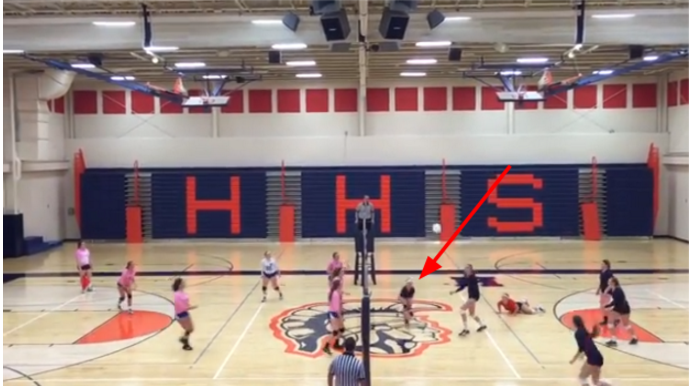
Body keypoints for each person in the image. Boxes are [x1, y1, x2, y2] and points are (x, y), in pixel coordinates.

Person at [569, 315, 610, 386]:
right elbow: (586, 346)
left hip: (593, 358)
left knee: (589, 380)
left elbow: (581, 348)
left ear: (574, 323)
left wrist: (573, 359)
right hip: (596, 357)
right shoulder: (583, 330)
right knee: (584, 377)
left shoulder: (578, 333)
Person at [451, 264, 487, 336]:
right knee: (472, 314)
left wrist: (474, 297)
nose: (465, 270)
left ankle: (466, 329)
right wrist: (455, 291)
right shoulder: (468, 277)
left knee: (461, 310)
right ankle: (482, 325)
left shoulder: (472, 277)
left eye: (467, 269)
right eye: (465, 269)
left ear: (470, 270)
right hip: (472, 297)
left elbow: (474, 287)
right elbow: (463, 286)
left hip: (473, 297)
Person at [604, 277, 638, 346]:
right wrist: (608, 305)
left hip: (622, 308)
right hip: (621, 308)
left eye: (609, 281)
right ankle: (632, 338)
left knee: (621, 324)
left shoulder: (618, 291)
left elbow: (617, 301)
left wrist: (609, 307)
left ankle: (615, 340)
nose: (608, 282)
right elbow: (614, 300)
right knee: (615, 323)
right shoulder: (614, 289)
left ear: (613, 283)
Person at [172, 278, 197, 351]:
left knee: (190, 329)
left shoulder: (183, 292)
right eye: (183, 283)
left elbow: (185, 302)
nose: (185, 283)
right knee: (189, 328)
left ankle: (184, 341)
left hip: (184, 312)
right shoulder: (177, 295)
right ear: (179, 285)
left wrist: (189, 305)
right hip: (180, 313)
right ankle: (185, 342)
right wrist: (190, 307)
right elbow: (179, 305)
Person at [324, 278, 344, 355]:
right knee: (335, 332)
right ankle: (326, 346)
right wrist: (340, 317)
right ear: (338, 285)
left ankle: (336, 344)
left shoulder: (335, 292)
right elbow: (336, 308)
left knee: (341, 329)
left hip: (333, 312)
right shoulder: (335, 294)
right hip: (333, 313)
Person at [596, 260, 614, 326]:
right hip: (602, 290)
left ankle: (611, 319)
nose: (601, 265)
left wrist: (606, 290)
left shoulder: (609, 273)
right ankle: (606, 319)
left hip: (607, 292)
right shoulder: (601, 272)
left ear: (606, 265)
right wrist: (598, 289)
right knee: (601, 305)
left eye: (602, 264)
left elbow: (611, 283)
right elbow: (601, 282)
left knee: (606, 305)